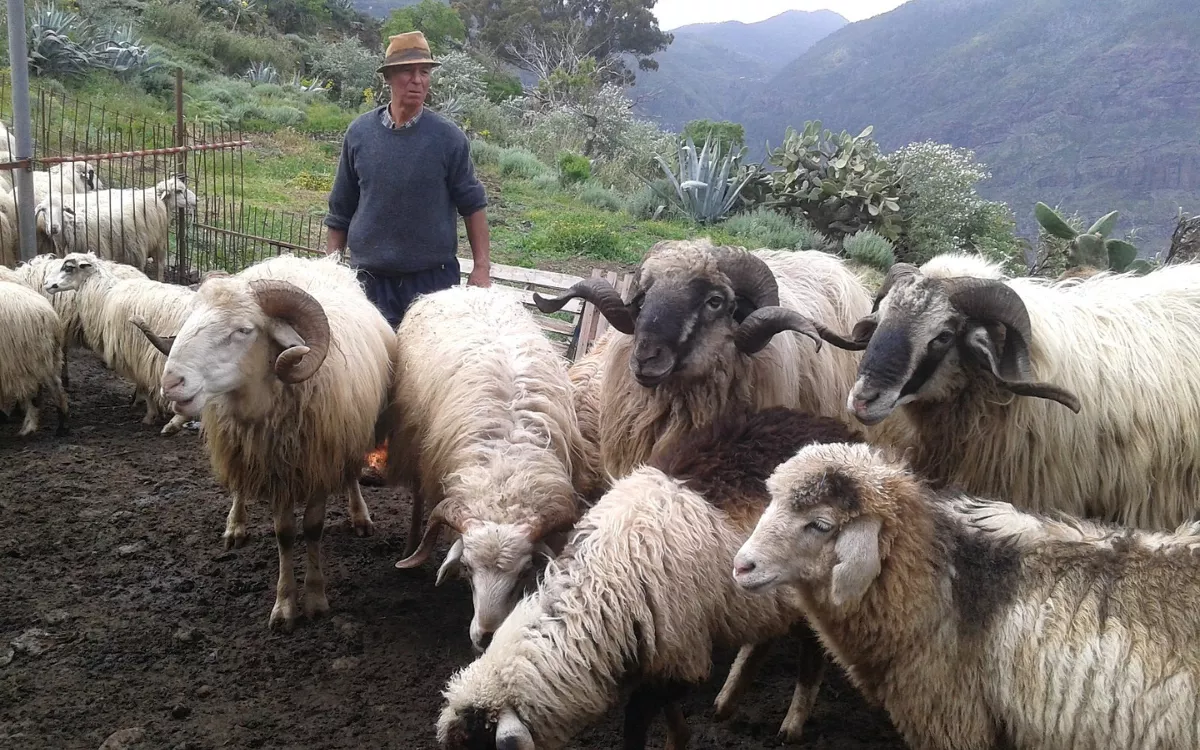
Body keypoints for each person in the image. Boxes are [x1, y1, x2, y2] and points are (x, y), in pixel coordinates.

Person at [324, 30, 492, 328]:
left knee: (425, 370)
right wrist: (331, 272)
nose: (418, 80)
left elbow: (473, 205)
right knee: (370, 369)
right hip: (367, 281)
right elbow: (341, 209)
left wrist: (481, 269)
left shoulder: (448, 138)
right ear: (388, 77)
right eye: (408, 71)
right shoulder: (359, 133)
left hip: (431, 282)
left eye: (424, 72)